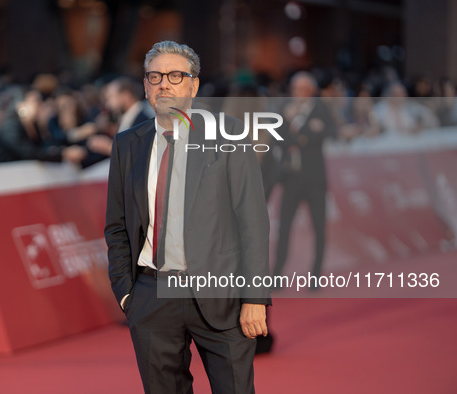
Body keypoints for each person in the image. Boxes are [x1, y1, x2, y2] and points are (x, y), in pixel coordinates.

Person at [105, 40, 271, 393]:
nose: (164, 84)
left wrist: (255, 297)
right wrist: (127, 294)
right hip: (152, 294)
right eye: (155, 76)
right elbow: (117, 226)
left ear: (193, 85)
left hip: (221, 293)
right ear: (146, 87)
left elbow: (252, 222)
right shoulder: (127, 144)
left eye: (176, 76)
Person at [272, 72, 335, 283]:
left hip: (315, 178)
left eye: (301, 89)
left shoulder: (320, 109)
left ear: (310, 91)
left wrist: (301, 135)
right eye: (294, 88)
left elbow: (326, 133)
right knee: (284, 226)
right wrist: (300, 133)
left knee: (318, 226)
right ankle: (277, 273)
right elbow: (278, 137)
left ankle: (316, 275)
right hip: (291, 178)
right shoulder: (285, 110)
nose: (296, 93)